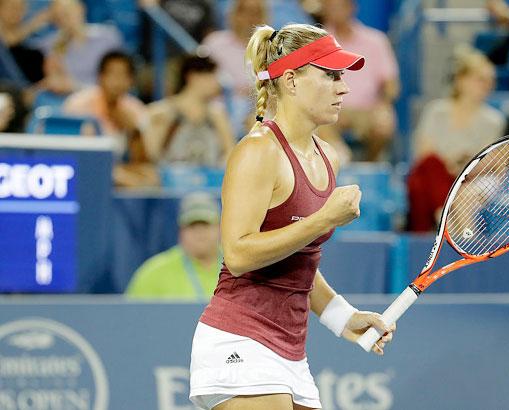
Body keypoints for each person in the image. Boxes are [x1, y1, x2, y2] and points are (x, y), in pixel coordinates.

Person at [189, 23, 396, 410]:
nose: (344, 87)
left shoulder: (327, 157)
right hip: (240, 341)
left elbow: (298, 261)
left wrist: (343, 317)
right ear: (292, 80)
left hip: (289, 353)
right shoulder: (257, 152)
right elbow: (238, 254)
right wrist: (323, 220)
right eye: (331, 75)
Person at [408, 47, 505, 231]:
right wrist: (452, 163)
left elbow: (488, 162)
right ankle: (444, 216)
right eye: (480, 80)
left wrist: (462, 165)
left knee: (424, 182)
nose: (487, 86)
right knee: (428, 168)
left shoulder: (494, 120)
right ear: (461, 80)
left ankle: (442, 220)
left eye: (491, 81)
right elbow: (424, 153)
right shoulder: (436, 111)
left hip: (467, 180)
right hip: (437, 176)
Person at [319, 0, 399, 161]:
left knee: (384, 122)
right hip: (330, 108)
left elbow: (391, 85)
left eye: (340, 5)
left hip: (368, 110)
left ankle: (370, 166)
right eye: (331, 6)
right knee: (316, 118)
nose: (335, 10)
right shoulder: (317, 43)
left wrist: (382, 105)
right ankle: (341, 162)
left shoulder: (376, 41)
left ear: (352, 7)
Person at [62, 50, 154, 187]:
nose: (118, 81)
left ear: (131, 81)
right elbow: (71, 150)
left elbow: (142, 161)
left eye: (124, 75)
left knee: (152, 177)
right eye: (113, 74)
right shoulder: (77, 105)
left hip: (118, 167)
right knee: (127, 181)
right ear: (101, 77)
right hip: (81, 166)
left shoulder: (136, 110)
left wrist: (134, 132)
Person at [126, 191, 222, 300]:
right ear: (180, 231)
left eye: (206, 224)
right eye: (192, 225)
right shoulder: (153, 273)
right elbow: (130, 314)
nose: (199, 232)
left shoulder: (239, 270)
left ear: (220, 228)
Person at [143, 54, 235, 166]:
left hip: (210, 179)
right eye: (212, 76)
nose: (217, 83)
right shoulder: (160, 111)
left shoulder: (217, 114)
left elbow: (230, 153)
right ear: (193, 77)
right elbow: (152, 155)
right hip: (171, 179)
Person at [202, 0, 269, 139]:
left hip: (257, 107)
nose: (251, 18)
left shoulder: (271, 48)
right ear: (234, 15)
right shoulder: (214, 43)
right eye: (245, 12)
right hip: (220, 106)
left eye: (257, 13)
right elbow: (200, 78)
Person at [38, 0, 123, 94]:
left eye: (68, 12)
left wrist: (76, 87)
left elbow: (118, 80)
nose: (65, 19)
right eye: (59, 15)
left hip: (105, 98)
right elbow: (55, 81)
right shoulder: (51, 45)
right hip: (66, 99)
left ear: (82, 9)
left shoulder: (108, 37)